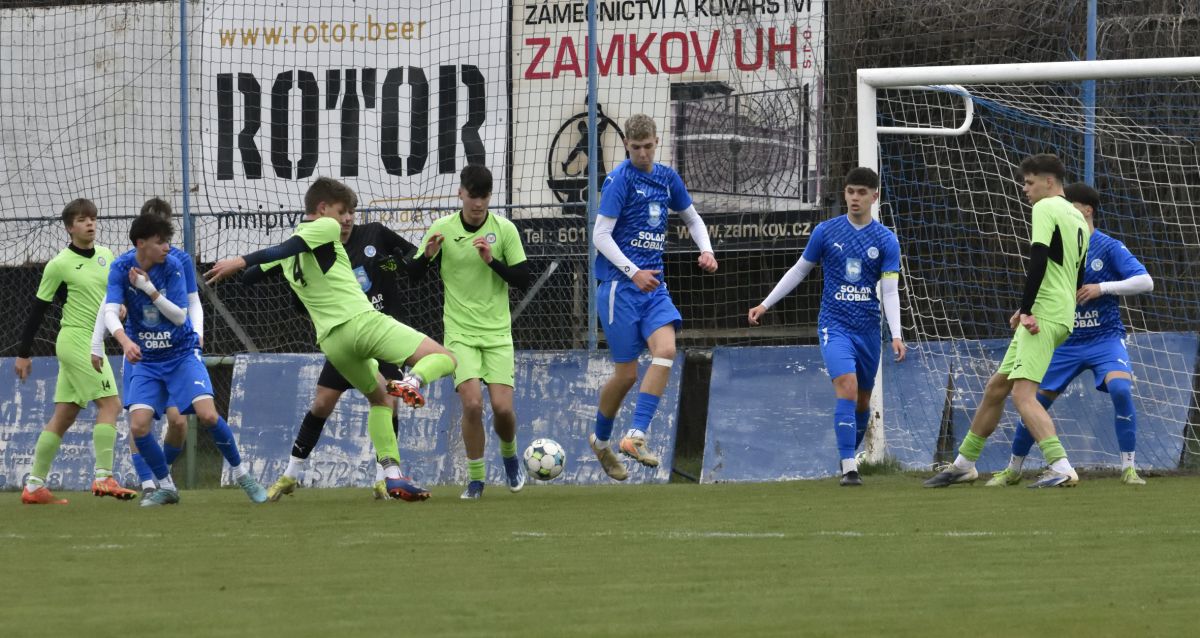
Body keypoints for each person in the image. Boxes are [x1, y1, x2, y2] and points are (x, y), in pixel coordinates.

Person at [205, 177, 457, 502]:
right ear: (322, 209)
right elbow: (281, 250)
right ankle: (412, 381)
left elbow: (257, 273)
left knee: (381, 399)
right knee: (446, 358)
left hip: (333, 343)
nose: (344, 220)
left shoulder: (292, 248)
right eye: (340, 212)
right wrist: (241, 261)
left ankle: (392, 475)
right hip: (361, 322)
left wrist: (246, 267)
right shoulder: (323, 228)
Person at [924, 153, 1089, 489]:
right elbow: (1077, 274)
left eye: (1029, 182)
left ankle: (1061, 467)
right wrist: (1030, 307)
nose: (1025, 189)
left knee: (1023, 396)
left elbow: (1039, 259)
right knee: (997, 388)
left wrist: (1028, 309)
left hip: (1043, 315)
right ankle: (965, 464)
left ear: (1048, 182)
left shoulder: (1045, 208)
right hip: (1060, 312)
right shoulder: (1078, 217)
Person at [92, 213, 267, 506]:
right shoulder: (121, 267)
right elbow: (110, 310)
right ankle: (165, 485)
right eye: (160, 242)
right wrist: (122, 341)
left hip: (181, 354)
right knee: (138, 426)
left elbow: (179, 315)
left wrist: (149, 289)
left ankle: (242, 475)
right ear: (141, 243)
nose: (166, 247)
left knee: (207, 415)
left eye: (168, 241)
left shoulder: (173, 265)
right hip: (147, 360)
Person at [987, 182, 1153, 487]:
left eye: (1070, 206)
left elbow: (1146, 282)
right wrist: (1025, 309)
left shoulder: (1108, 246)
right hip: (1065, 340)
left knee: (1120, 389)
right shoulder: (1058, 244)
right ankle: (1014, 468)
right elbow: (1046, 285)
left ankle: (1129, 469)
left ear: (1086, 211)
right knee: (1033, 400)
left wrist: (1102, 288)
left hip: (1104, 339)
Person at [748, 167, 906, 487]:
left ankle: (849, 454)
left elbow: (890, 291)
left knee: (862, 400)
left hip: (868, 329)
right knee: (847, 385)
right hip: (834, 325)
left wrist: (896, 334)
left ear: (874, 196)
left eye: (862, 192)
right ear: (845, 194)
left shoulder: (886, 240)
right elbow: (799, 270)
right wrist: (765, 304)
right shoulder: (826, 232)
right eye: (850, 192)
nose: (855, 198)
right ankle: (849, 467)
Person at [589, 113, 717, 481]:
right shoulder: (620, 180)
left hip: (654, 287)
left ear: (657, 142)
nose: (642, 154)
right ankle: (600, 441)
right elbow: (600, 235)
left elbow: (692, 218)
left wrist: (706, 250)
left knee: (666, 350)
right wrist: (633, 271)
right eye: (636, 148)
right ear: (626, 145)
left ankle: (635, 436)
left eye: (648, 146)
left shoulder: (667, 178)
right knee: (626, 375)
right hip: (619, 288)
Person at [267, 203, 420, 501]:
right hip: (347, 336)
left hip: (381, 332)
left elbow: (412, 256)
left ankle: (384, 480)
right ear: (326, 215)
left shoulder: (374, 233)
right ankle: (291, 474)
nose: (347, 218)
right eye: (342, 213)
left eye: (351, 211)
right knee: (322, 403)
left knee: (389, 401)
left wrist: (394, 265)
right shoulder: (320, 247)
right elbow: (298, 298)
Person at [411, 165, 532, 499]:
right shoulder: (442, 229)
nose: (478, 203)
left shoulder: (504, 230)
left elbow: (523, 279)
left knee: (503, 409)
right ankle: (476, 480)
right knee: (473, 405)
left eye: (484, 196)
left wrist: (492, 261)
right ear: (460, 193)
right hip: (460, 334)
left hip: (497, 334)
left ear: (490, 196)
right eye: (472, 195)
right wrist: (427, 257)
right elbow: (412, 274)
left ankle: (509, 457)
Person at [15, 198, 137, 504]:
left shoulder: (106, 255)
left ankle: (34, 486)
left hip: (93, 340)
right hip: (76, 340)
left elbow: (112, 293)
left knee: (64, 415)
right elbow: (38, 310)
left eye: (93, 218)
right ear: (70, 228)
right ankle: (104, 478)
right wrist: (23, 353)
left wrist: (119, 306)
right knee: (110, 405)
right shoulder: (59, 265)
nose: (90, 224)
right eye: (82, 220)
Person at [126, 198, 201, 497]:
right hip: (142, 352)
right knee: (139, 421)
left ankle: (163, 475)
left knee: (179, 422)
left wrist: (198, 334)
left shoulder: (179, 260)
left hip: (175, 351)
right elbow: (110, 302)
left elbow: (193, 301)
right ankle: (147, 483)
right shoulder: (126, 263)